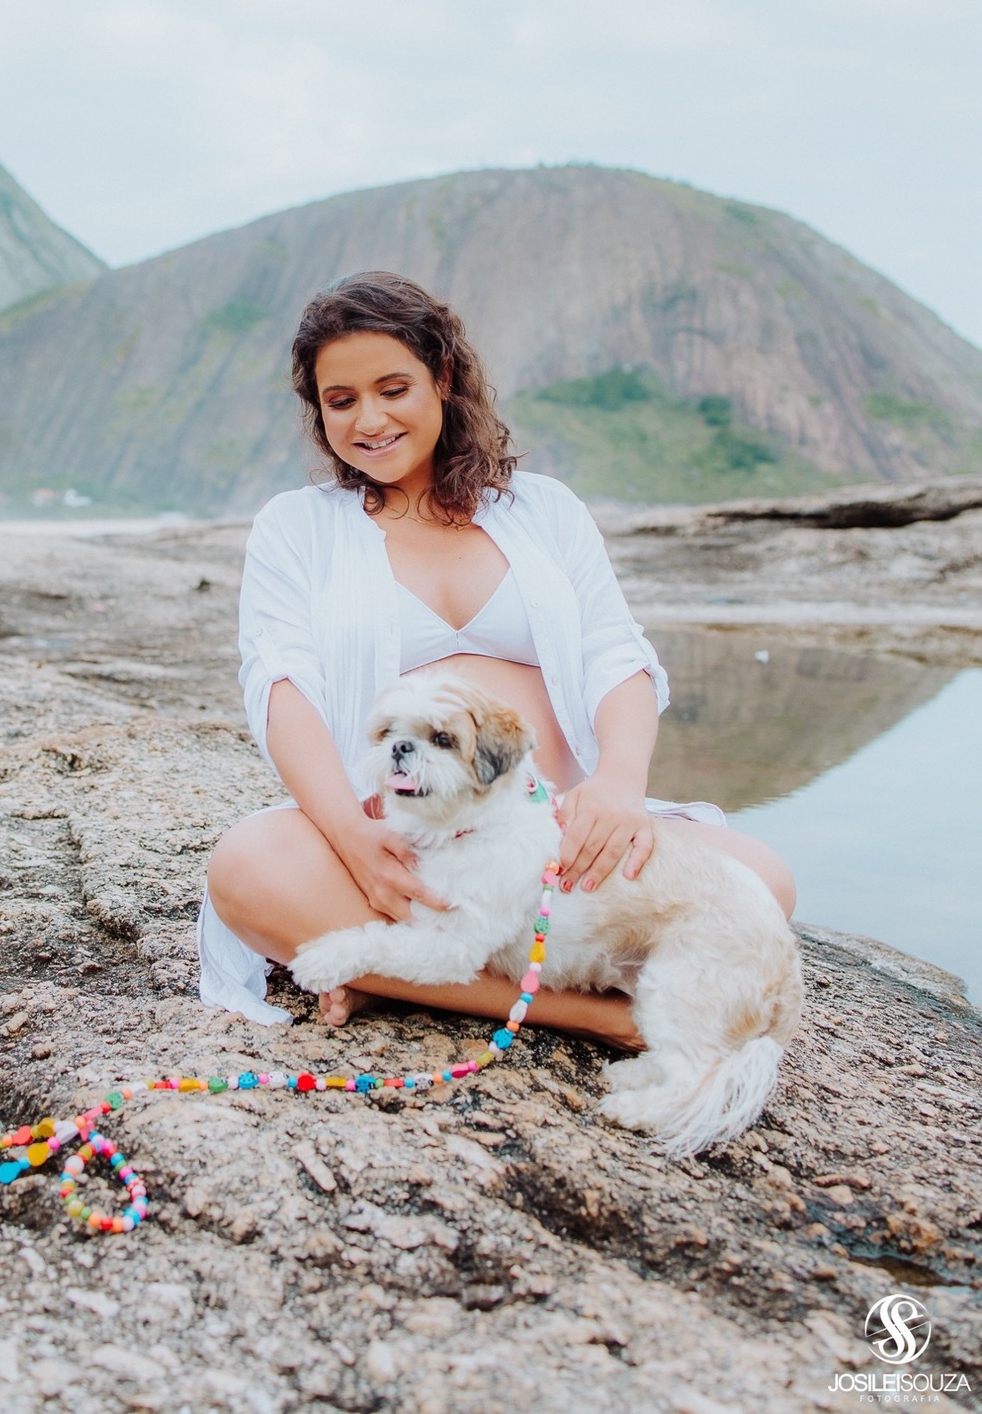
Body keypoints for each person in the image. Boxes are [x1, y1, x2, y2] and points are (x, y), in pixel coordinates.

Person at [201, 272, 795, 1043]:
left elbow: (615, 652)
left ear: (443, 377)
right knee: (246, 868)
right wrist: (350, 836)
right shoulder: (296, 528)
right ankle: (594, 1017)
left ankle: (401, 977)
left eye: (393, 389)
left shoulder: (544, 509)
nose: (369, 420)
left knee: (761, 883)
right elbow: (281, 686)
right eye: (341, 401)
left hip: (557, 838)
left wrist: (618, 786)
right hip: (402, 839)